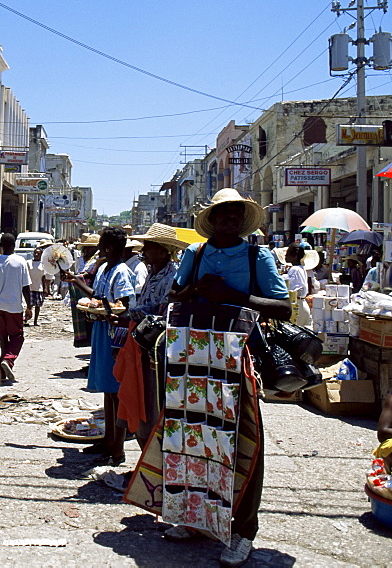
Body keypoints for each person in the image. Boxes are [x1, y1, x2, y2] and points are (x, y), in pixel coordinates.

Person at [167, 188, 290, 565]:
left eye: (237, 213)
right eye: (224, 213)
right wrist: (194, 290)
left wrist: (235, 296)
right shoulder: (196, 253)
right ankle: (194, 517)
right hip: (194, 356)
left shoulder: (259, 256)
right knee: (192, 436)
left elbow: (283, 307)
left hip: (239, 359)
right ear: (213, 219)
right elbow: (174, 296)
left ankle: (243, 531)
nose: (230, 219)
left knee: (241, 441)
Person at [63, 226, 136, 467]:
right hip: (102, 331)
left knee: (116, 391)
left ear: (110, 247)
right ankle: (108, 440)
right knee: (107, 389)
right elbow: (98, 295)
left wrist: (105, 310)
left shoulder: (122, 272)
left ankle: (118, 448)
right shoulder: (105, 268)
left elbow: (122, 305)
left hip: (115, 334)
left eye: (102, 246)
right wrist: (75, 281)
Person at [126, 223, 186, 447]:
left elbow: (162, 310)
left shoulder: (172, 276)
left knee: (153, 402)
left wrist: (129, 314)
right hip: (142, 340)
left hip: (158, 346)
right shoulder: (153, 272)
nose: (144, 252)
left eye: (148, 247)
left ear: (162, 250)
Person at [0, 232, 33, 381]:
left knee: (0, 339)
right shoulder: (20, 262)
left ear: (1, 247)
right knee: (17, 337)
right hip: (14, 307)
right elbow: (26, 287)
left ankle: (2, 370)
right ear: (13, 246)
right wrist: (29, 306)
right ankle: (9, 360)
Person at [275, 244, 317, 328]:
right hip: (301, 305)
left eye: (287, 254)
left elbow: (293, 288)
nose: (285, 256)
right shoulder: (299, 268)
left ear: (295, 256)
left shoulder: (295, 269)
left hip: (298, 306)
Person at [69, 234, 100, 348]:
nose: (86, 251)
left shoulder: (98, 261)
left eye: (89, 248)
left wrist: (78, 278)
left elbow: (91, 275)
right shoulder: (88, 260)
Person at [28, 245, 49, 326]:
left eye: (38, 253)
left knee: (38, 305)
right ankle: (27, 318)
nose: (36, 255)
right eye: (35, 253)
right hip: (30, 286)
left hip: (39, 287)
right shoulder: (28, 263)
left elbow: (44, 277)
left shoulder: (43, 264)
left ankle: (35, 321)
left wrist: (45, 288)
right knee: (29, 305)